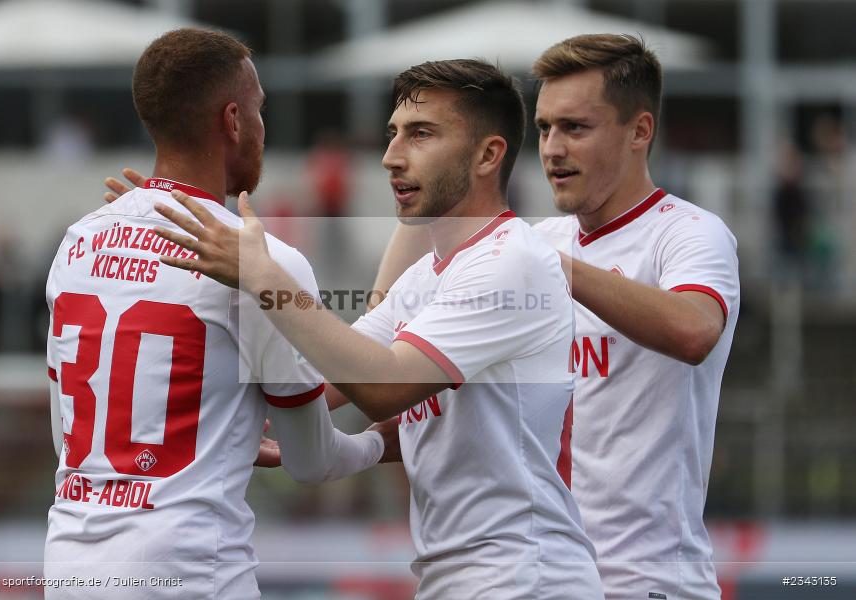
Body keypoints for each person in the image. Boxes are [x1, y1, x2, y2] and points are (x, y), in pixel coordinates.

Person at [151, 59, 603, 599]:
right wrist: (149, 245)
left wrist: (262, 277)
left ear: (489, 155)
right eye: (393, 134)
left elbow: (384, 386)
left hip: (526, 579)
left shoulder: (513, 260)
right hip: (461, 576)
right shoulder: (424, 276)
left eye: (421, 134)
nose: (391, 157)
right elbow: (322, 379)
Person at [373, 34, 740, 600]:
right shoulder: (532, 246)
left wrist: (546, 264)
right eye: (544, 128)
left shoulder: (687, 232)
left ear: (640, 131)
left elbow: (694, 331)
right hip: (540, 574)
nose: (552, 148)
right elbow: (417, 367)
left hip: (648, 581)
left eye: (576, 127)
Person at [44, 28, 388, 600]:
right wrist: (381, 442)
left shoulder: (77, 241)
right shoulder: (261, 263)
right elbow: (310, 460)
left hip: (67, 565)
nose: (262, 128)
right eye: (259, 111)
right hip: (186, 571)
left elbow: (70, 435)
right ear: (232, 121)